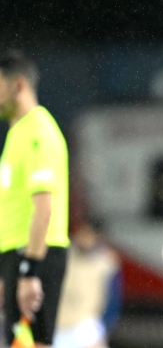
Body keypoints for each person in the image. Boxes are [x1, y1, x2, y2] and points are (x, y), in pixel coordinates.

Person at [0, 49, 70, 347]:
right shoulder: (17, 134)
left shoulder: (38, 132)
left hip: (37, 257)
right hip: (17, 257)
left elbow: (44, 209)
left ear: (18, 85)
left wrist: (30, 272)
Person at [53, 220, 121, 348]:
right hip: (58, 325)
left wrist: (105, 327)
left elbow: (112, 300)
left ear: (97, 237)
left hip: (85, 326)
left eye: (89, 234)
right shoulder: (63, 255)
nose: (84, 238)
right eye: (82, 233)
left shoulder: (107, 263)